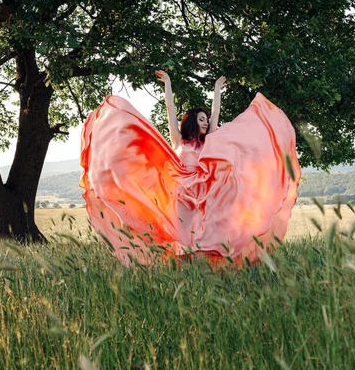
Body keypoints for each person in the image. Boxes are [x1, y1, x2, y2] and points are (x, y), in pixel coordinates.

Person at [80, 70, 300, 267]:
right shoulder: (179, 141)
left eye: (206, 120)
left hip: (204, 194)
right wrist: (167, 84)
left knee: (201, 234)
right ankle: (182, 267)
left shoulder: (209, 142)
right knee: (181, 233)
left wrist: (216, 91)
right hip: (180, 192)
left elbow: (216, 115)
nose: (206, 123)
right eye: (202, 120)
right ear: (193, 121)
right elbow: (170, 110)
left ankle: (201, 267)